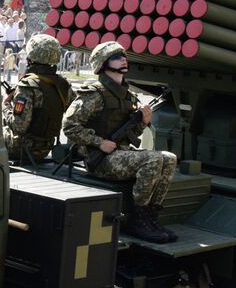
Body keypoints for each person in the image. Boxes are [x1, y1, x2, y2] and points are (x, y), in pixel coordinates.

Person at [62, 40, 177, 243]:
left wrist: (143, 122)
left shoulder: (128, 95)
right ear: (103, 63)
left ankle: (150, 216)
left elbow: (132, 134)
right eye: (116, 56)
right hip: (100, 160)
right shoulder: (94, 94)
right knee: (152, 159)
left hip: (120, 154)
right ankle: (137, 219)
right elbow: (69, 126)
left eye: (123, 55)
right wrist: (99, 142)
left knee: (168, 158)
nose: (123, 59)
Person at [3, 34, 70, 166]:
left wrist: (5, 104)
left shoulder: (28, 85)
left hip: (24, 149)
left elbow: (19, 127)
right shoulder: (62, 84)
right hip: (46, 147)